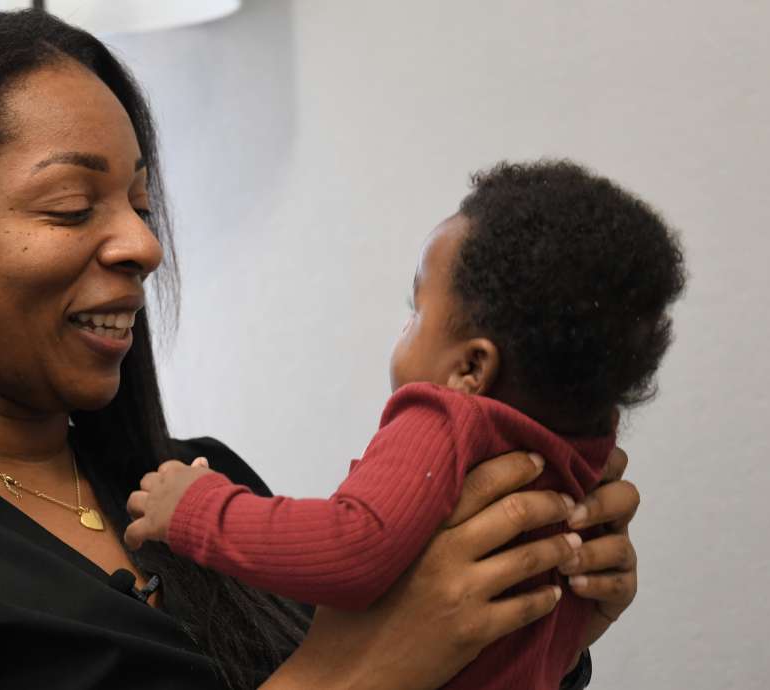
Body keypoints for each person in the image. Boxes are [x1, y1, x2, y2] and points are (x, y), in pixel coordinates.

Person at [0, 4, 642, 689]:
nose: (143, 245)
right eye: (70, 206)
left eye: (140, 201)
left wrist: (525, 624)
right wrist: (352, 675)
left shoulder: (203, 487)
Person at [124, 160, 684, 689]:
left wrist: (196, 508)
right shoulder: (581, 455)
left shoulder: (445, 417)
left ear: (471, 367)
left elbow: (350, 550)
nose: (404, 329)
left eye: (415, 310)